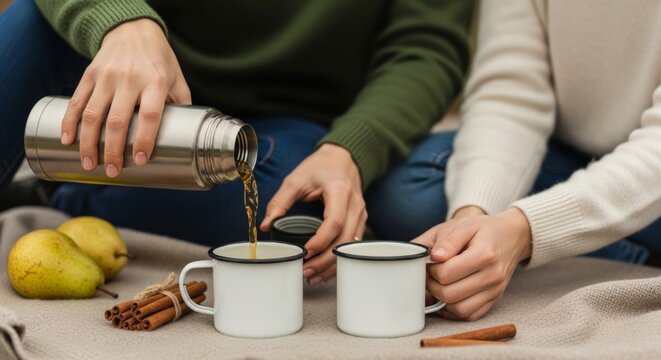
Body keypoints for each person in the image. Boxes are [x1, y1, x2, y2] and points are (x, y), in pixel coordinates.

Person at [0, 0, 474, 285]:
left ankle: (60, 190)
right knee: (29, 20)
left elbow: (426, 47)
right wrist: (122, 23)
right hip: (129, 57)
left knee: (292, 217)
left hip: (288, 122)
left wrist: (349, 151)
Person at [367, 0, 661, 320]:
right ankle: (608, 243)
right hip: (571, 154)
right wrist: (470, 217)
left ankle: (622, 254)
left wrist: (524, 231)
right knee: (404, 188)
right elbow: (510, 92)